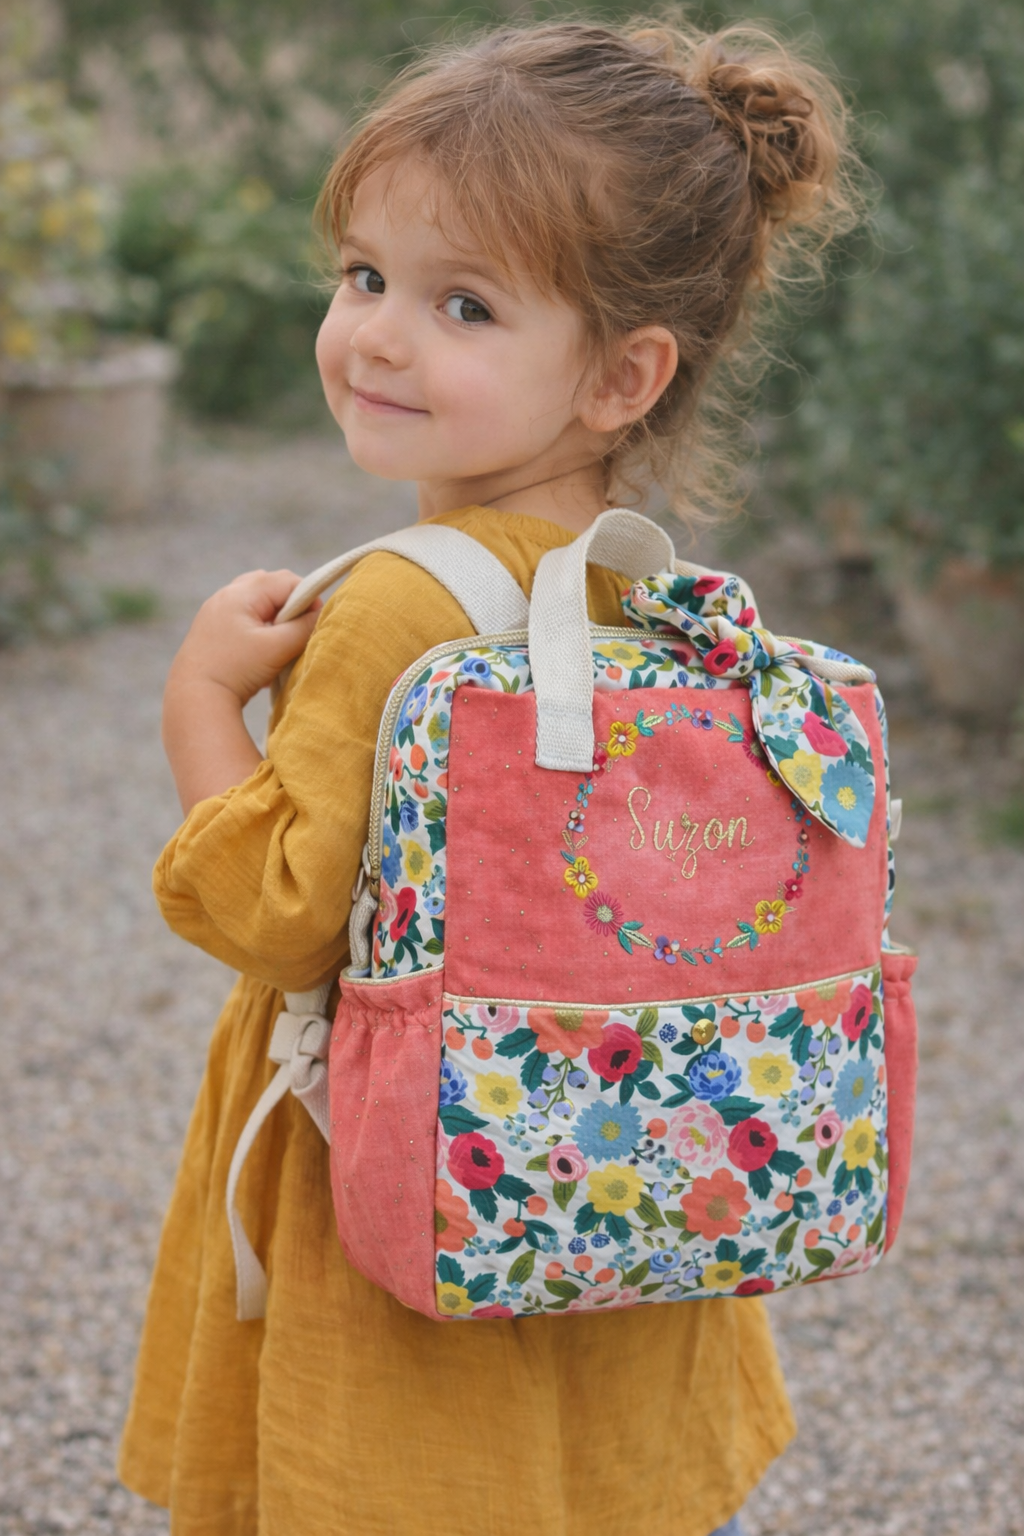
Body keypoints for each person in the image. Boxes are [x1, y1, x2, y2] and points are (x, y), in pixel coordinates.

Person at [119, 16, 861, 1535]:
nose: (379, 333)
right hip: (621, 1183)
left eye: (463, 303)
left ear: (619, 376)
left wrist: (202, 695)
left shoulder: (400, 602)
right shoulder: (642, 595)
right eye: (365, 275)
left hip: (423, 1196)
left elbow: (280, 915)